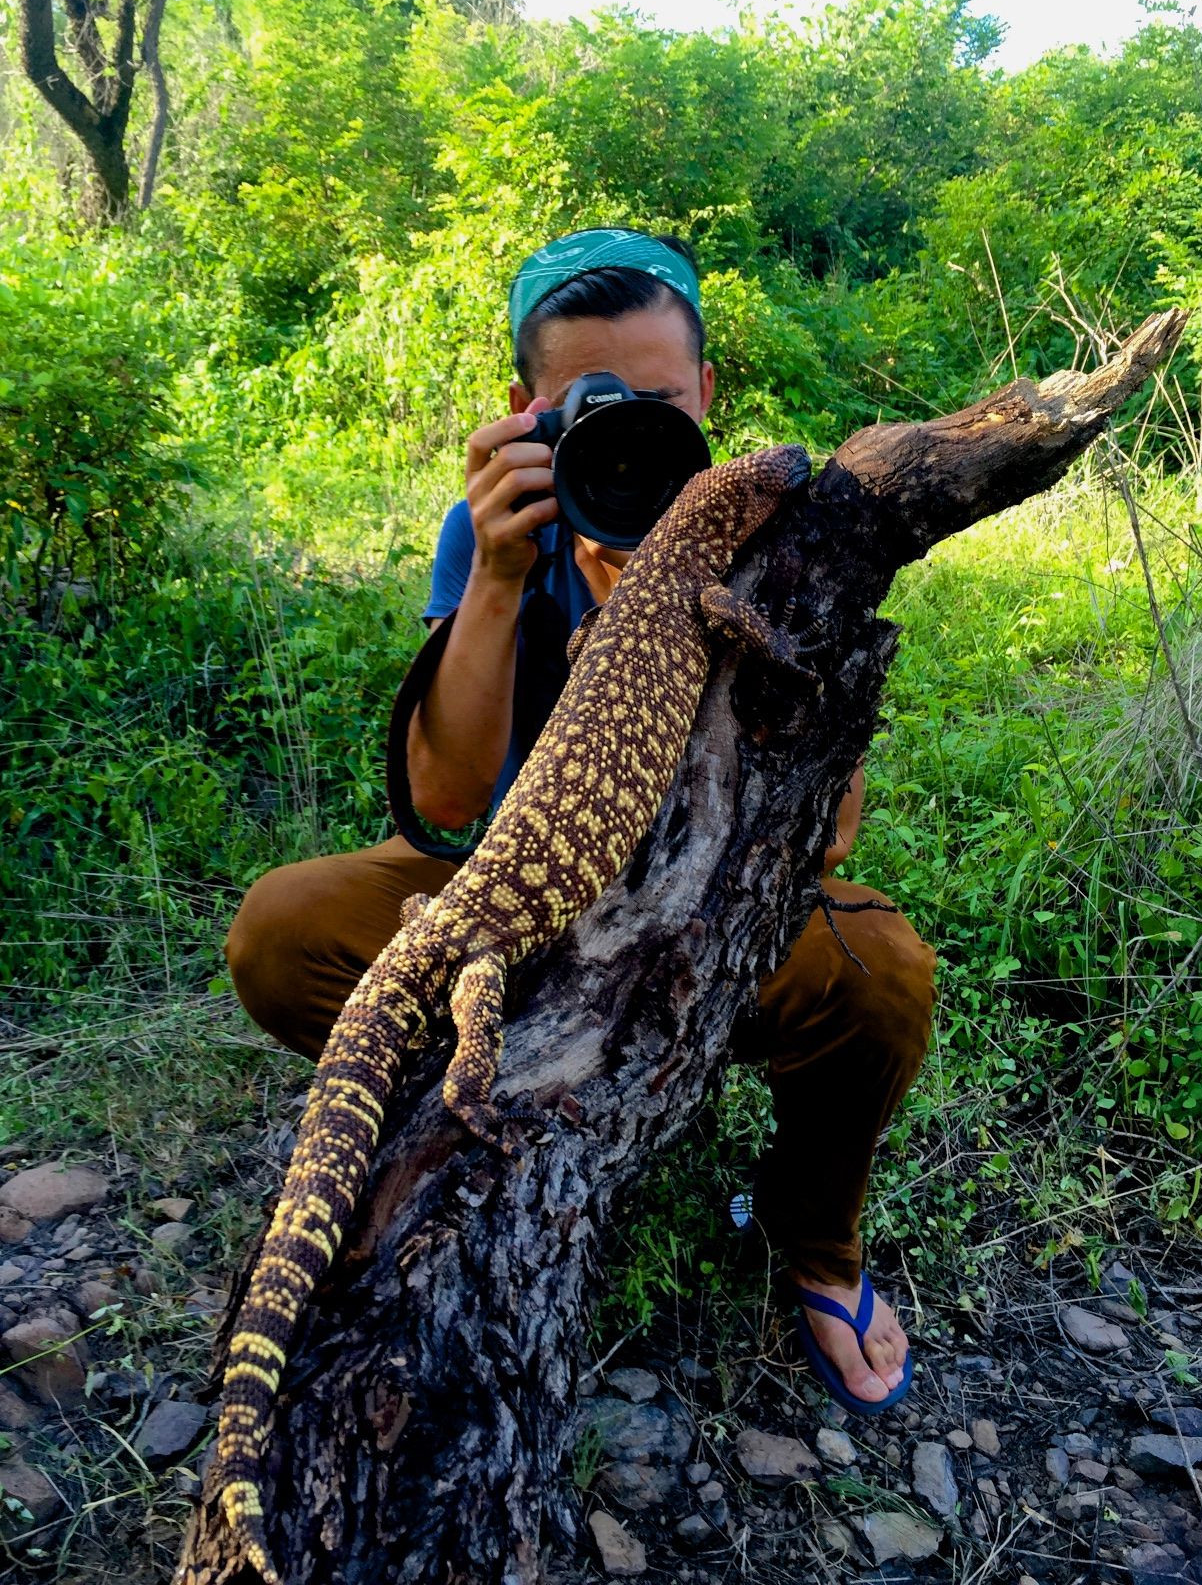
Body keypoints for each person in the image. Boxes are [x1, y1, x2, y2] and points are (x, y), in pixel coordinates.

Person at [224, 227, 936, 1414]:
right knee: (283, 930)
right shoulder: (501, 529)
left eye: (656, 401)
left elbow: (834, 833)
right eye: (590, 406)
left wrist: (728, 643)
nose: (631, 430)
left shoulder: (772, 549)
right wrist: (503, 578)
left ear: (705, 396)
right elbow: (447, 808)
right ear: (530, 412)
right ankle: (506, 1129)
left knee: (885, 977)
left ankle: (816, 1241)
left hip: (706, 895)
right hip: (517, 883)